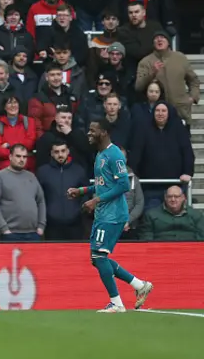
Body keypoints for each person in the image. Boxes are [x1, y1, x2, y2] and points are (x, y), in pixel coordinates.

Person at [67, 119, 153, 313]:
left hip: (113, 214)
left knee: (99, 256)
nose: (89, 134)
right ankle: (140, 285)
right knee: (97, 258)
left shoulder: (114, 155)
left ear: (104, 132)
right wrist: (81, 191)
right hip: (104, 213)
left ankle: (117, 303)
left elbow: (123, 186)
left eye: (92, 130)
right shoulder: (100, 154)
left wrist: (95, 200)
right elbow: (102, 185)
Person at [0, 144, 46, 241]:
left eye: (24, 157)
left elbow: (41, 201)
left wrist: (41, 226)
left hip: (33, 233)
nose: (22, 159)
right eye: (18, 156)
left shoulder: (31, 177)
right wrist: (3, 229)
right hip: (10, 234)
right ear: (10, 157)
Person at [138, 186, 204, 241]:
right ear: (165, 198)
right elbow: (146, 238)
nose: (173, 199)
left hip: (189, 250)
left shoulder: (196, 215)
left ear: (183, 197)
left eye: (176, 196)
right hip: (160, 251)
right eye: (169, 196)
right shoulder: (151, 214)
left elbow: (201, 236)